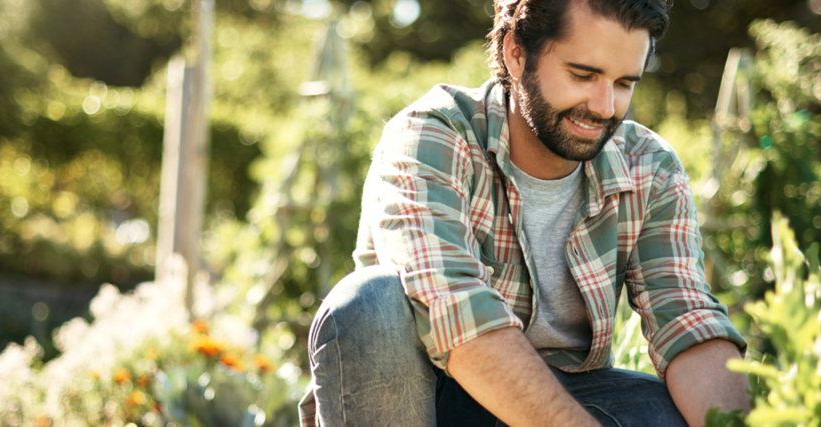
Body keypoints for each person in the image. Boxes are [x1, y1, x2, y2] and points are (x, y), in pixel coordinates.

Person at [300, 0, 749, 425]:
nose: (605, 106)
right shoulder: (430, 137)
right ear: (516, 53)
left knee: (663, 411)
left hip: (566, 394)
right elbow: (459, 318)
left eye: (624, 83)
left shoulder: (648, 165)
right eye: (583, 74)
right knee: (367, 303)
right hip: (432, 399)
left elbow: (686, 318)